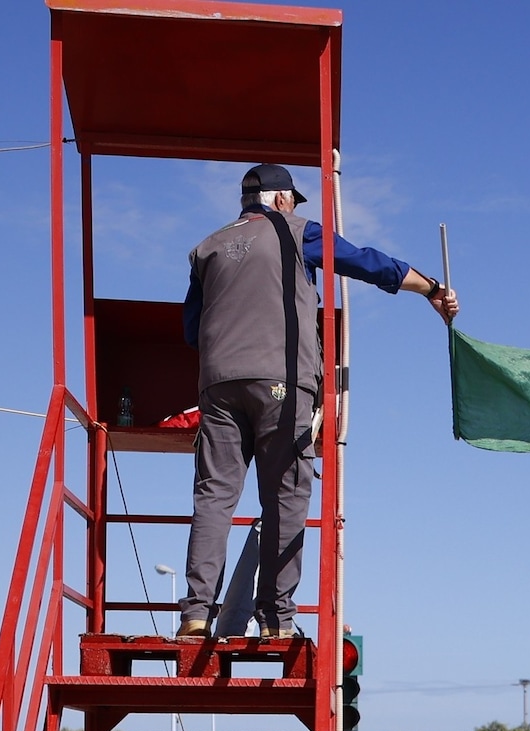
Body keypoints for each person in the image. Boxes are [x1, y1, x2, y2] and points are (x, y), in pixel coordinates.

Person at [177, 164, 458, 640]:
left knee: (214, 497)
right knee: (285, 497)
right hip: (282, 384)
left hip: (217, 386)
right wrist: (431, 288)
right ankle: (275, 619)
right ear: (282, 199)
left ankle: (196, 614)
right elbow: (369, 262)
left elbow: (190, 332)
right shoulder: (298, 233)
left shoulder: (206, 247)